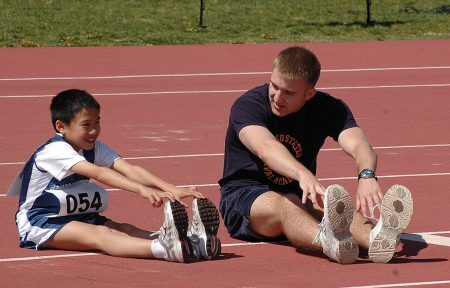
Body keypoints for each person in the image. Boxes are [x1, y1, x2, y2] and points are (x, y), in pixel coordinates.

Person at [219, 46, 413, 264]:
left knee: (337, 208)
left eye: (289, 93)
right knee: (287, 202)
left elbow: (359, 144)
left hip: (301, 194)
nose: (277, 97)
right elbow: (265, 147)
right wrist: (302, 173)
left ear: (309, 93)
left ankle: (376, 240)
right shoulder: (248, 106)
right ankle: (329, 242)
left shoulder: (328, 108)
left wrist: (366, 175)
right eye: (274, 86)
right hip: (243, 198)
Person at [6, 89, 221, 263]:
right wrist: (141, 190)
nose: (94, 131)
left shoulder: (92, 147)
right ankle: (165, 249)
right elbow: (99, 173)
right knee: (101, 235)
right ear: (61, 126)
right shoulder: (54, 151)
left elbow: (129, 169)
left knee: (126, 229)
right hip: (40, 222)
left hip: (78, 216)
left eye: (97, 122)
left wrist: (170, 188)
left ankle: (191, 244)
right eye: (86, 125)